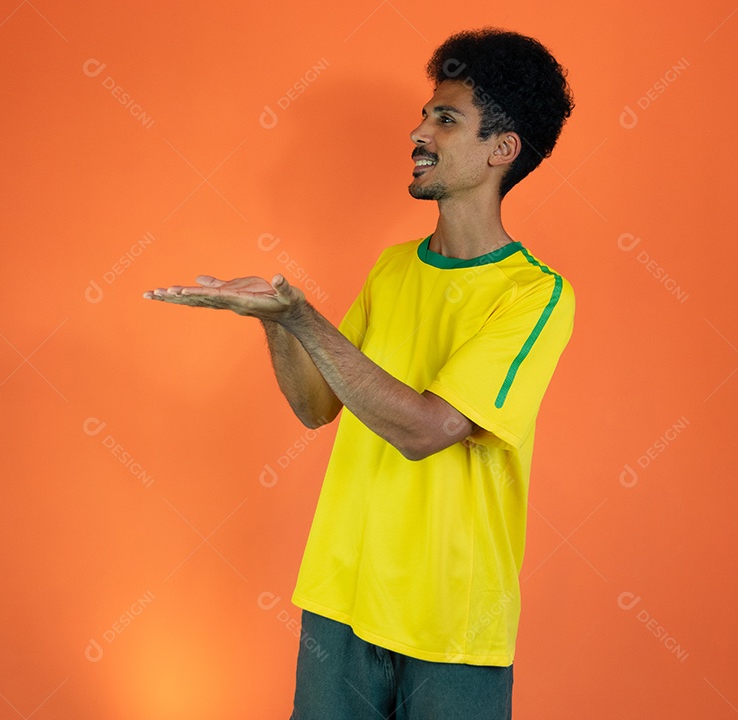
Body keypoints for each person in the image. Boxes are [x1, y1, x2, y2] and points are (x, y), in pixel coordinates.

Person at [145, 27, 575, 719]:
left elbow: (427, 430)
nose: (418, 130)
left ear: (501, 149)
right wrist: (278, 323)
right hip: (341, 600)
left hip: (450, 621)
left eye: (445, 117)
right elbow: (318, 406)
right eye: (425, 113)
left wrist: (306, 318)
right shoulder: (393, 268)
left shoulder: (533, 295)